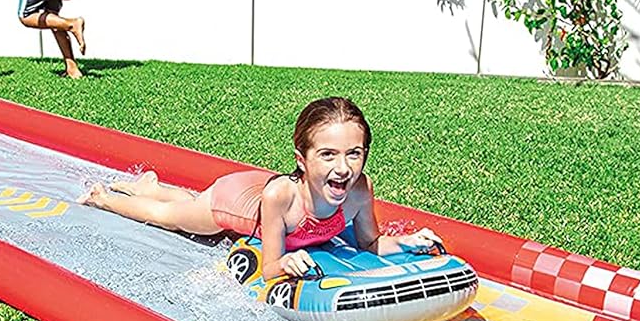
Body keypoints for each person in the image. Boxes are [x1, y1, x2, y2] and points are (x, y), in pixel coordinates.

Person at [78, 97, 443, 280]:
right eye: (328, 155)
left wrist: (407, 242)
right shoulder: (282, 198)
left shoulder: (360, 189)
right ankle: (105, 198)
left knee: (191, 202)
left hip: (256, 187)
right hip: (234, 200)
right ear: (302, 159)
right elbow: (269, 268)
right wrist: (285, 262)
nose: (343, 168)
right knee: (172, 217)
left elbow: (369, 242)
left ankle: (151, 185)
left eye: (354, 153)